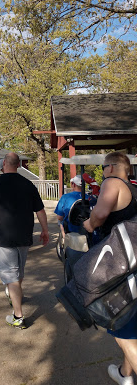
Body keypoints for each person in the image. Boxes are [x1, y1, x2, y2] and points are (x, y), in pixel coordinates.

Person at [0, 152, 49, 329]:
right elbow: (40, 210)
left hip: (2, 237)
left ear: (5, 163)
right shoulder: (27, 184)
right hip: (23, 235)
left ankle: (18, 316)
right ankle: (13, 293)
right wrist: (45, 230)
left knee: (12, 276)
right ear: (19, 165)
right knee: (18, 272)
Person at [83, 152, 137, 385]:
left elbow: (101, 213)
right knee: (131, 323)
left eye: (104, 168)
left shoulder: (112, 182)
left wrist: (89, 223)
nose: (102, 173)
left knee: (122, 331)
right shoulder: (135, 189)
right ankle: (125, 375)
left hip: (118, 266)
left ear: (113, 167)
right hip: (133, 261)